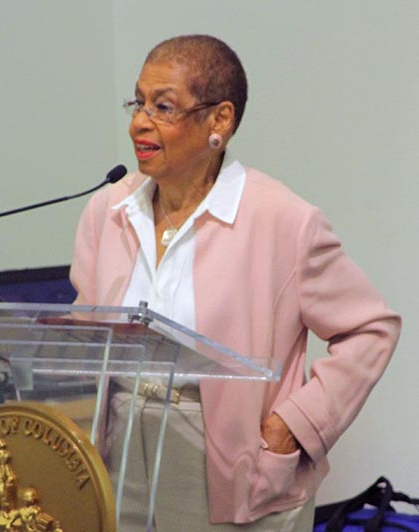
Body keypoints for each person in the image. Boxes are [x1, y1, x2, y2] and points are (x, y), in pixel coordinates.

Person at [69, 34, 401, 531]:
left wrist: (296, 423)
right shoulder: (109, 210)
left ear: (219, 120)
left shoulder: (283, 220)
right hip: (118, 449)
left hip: (225, 455)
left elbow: (372, 328)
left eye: (163, 106)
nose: (140, 121)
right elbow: (85, 331)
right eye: (138, 103)